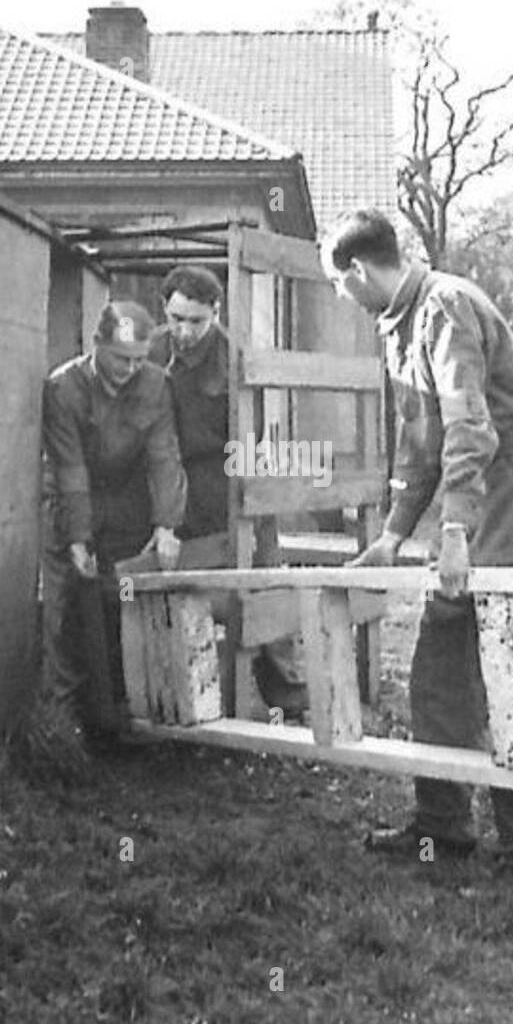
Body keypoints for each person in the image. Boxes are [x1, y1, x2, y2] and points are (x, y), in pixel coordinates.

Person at [319, 210, 513, 895]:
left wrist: (455, 530)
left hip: (512, 482)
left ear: (358, 272)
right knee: (442, 659)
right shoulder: (400, 327)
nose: (345, 301)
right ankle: (444, 825)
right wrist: (394, 537)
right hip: (477, 483)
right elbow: (421, 447)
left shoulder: (447, 308)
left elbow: (470, 427)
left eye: (341, 288)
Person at [147, 264, 307, 716]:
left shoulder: (236, 358)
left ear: (215, 312)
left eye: (196, 321)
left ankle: (288, 695)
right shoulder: (152, 352)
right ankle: (185, 695)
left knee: (263, 578)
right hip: (173, 478)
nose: (185, 331)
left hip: (232, 474)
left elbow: (255, 437)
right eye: (177, 319)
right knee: (178, 582)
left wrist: (252, 504)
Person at [40, 300, 186, 738]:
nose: (130, 368)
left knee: (119, 599)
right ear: (97, 344)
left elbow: (164, 455)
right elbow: (69, 467)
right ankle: (64, 724)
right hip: (70, 500)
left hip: (126, 504)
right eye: (121, 358)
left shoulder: (158, 385)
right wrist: (78, 537)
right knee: (62, 608)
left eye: (140, 359)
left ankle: (126, 711)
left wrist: (166, 524)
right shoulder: (63, 388)